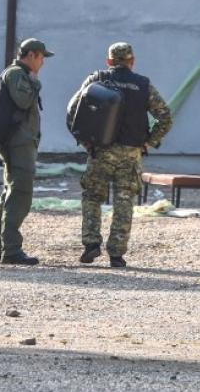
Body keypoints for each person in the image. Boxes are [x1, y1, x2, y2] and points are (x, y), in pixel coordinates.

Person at [68, 42, 172, 268]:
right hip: (131, 153)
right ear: (132, 61)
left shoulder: (96, 79)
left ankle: (91, 244)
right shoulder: (143, 86)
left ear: (109, 61)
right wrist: (148, 142)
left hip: (100, 151)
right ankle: (116, 255)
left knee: (92, 197)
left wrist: (85, 140)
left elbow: (72, 110)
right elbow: (165, 117)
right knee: (124, 201)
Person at [0, 38, 52, 266]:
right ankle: (11, 249)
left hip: (18, 142)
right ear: (33, 55)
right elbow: (24, 100)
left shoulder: (16, 73)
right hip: (18, 144)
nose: (43, 63)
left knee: (10, 193)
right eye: (42, 57)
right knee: (20, 194)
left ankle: (2, 248)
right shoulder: (17, 73)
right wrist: (35, 83)